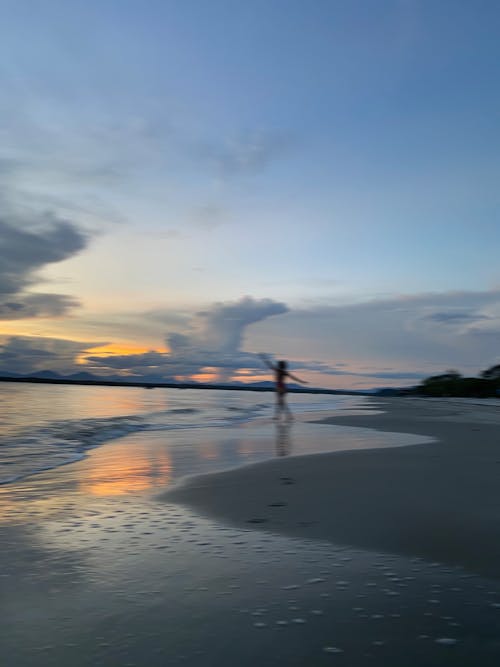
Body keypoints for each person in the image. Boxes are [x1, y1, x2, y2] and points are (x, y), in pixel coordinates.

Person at [259, 354, 308, 420]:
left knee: (280, 402)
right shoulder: (284, 372)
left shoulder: (278, 370)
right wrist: (302, 382)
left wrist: (264, 359)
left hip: (280, 388)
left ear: (279, 365)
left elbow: (270, 365)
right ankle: (287, 416)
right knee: (282, 403)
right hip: (284, 388)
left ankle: (281, 416)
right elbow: (294, 378)